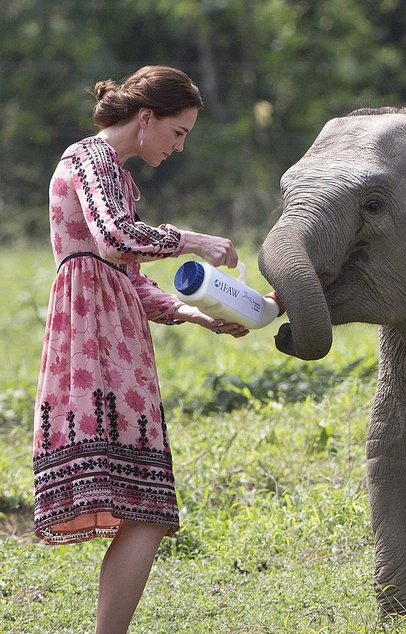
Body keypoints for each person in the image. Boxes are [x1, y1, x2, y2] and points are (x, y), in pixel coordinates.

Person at [32, 65, 249, 633]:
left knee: (146, 506)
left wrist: (195, 314)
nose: (179, 147)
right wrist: (193, 240)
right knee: (143, 505)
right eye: (178, 133)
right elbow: (113, 236)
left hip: (119, 332)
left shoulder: (119, 179)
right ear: (146, 117)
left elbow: (128, 273)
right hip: (91, 338)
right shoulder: (89, 159)